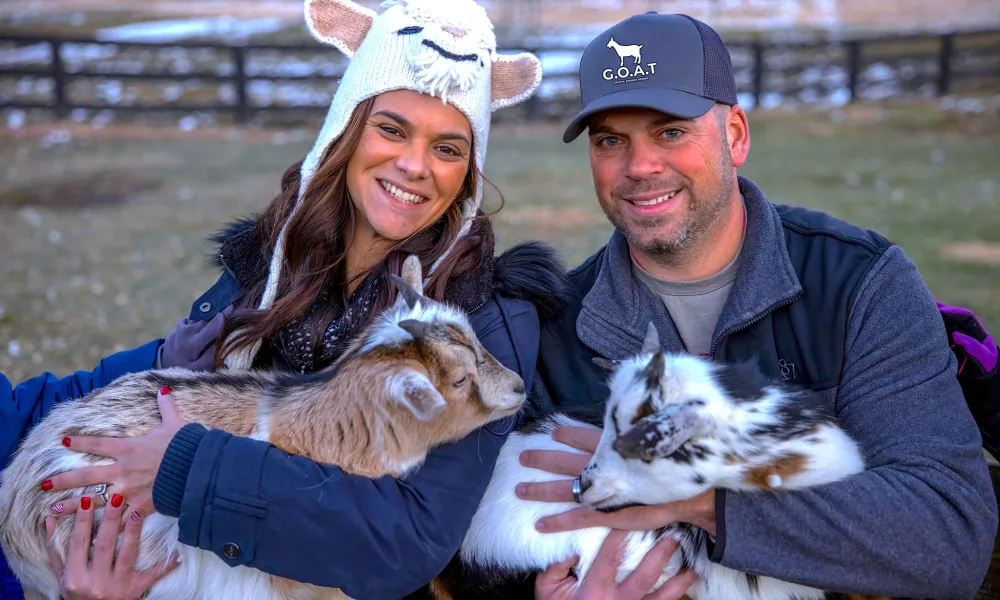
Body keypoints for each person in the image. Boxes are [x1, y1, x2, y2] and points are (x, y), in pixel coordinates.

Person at [0, 0, 567, 598]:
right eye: (391, 128)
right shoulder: (268, 273)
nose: (413, 164)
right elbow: (138, 385)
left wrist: (189, 467)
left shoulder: (480, 320)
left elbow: (408, 539)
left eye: (448, 148)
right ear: (347, 129)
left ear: (469, 173)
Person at [516, 11, 1000, 600]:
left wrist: (698, 503)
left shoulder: (856, 284)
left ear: (736, 135)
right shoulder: (554, 325)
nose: (640, 167)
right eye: (610, 141)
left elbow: (948, 532)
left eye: (670, 131)